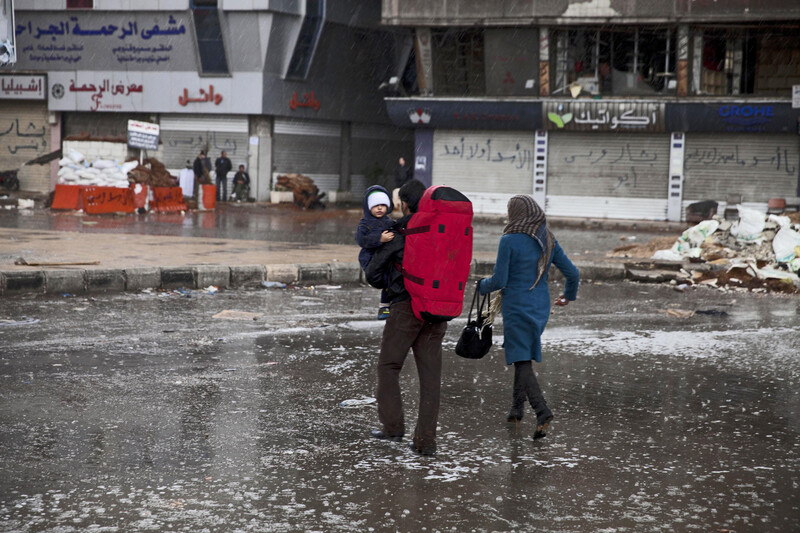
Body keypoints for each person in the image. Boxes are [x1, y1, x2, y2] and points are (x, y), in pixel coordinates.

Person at [478, 195, 579, 440]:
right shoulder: (548, 239)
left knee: (521, 359)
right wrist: (568, 296)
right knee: (522, 353)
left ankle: (542, 410)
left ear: (515, 214)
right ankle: (516, 410)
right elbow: (573, 273)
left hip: (517, 306)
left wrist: (481, 285)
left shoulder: (509, 240)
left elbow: (499, 280)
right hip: (540, 306)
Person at [365, 179, 447, 456]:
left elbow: (373, 274)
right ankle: (426, 441)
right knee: (430, 377)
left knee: (389, 366)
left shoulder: (401, 232)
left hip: (405, 308)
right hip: (437, 311)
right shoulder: (442, 231)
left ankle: (393, 427)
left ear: (403, 205)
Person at [355, 185, 395, 320]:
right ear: (368, 207)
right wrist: (379, 239)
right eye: (376, 205)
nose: (379, 208)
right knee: (383, 280)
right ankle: (385, 305)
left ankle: (385, 305)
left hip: (386, 257)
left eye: (383, 205)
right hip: (370, 258)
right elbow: (361, 240)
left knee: (390, 279)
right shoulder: (365, 223)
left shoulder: (389, 222)